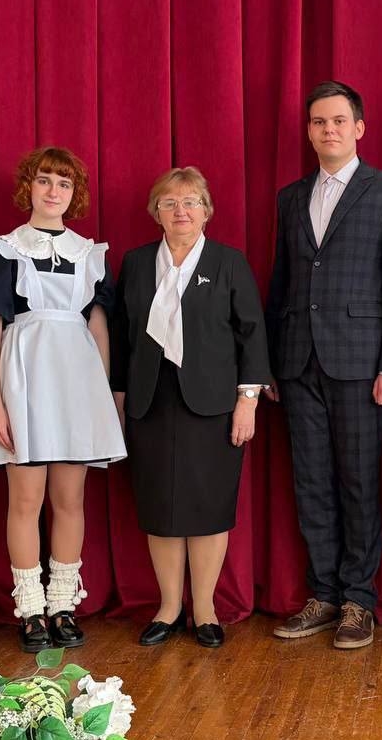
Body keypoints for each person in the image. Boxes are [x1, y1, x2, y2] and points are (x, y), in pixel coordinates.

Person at [264, 80, 382, 650]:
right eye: (318, 122)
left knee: (358, 482)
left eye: (337, 121)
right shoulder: (290, 197)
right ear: (308, 132)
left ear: (359, 128)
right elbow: (282, 282)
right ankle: (324, 594)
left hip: (361, 363)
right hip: (298, 361)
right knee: (310, 482)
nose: (328, 130)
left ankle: (359, 599)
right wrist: (270, 363)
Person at [0, 146, 125, 652]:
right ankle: (30, 609)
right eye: (45, 180)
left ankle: (63, 605)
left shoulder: (89, 253)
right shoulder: (6, 249)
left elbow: (98, 327)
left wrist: (103, 398)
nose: (54, 191)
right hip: (25, 383)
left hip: (77, 387)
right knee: (25, 501)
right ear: (28, 186)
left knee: (70, 501)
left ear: (76, 194)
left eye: (64, 184)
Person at [110, 167, 271, 650]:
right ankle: (168, 608)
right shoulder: (136, 263)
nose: (180, 211)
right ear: (156, 212)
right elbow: (121, 338)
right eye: (170, 203)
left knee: (208, 507)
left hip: (214, 405)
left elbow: (252, 335)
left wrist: (248, 402)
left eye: (190, 202)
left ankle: (205, 609)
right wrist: (118, 402)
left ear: (207, 211)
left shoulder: (228, 262)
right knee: (159, 507)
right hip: (149, 402)